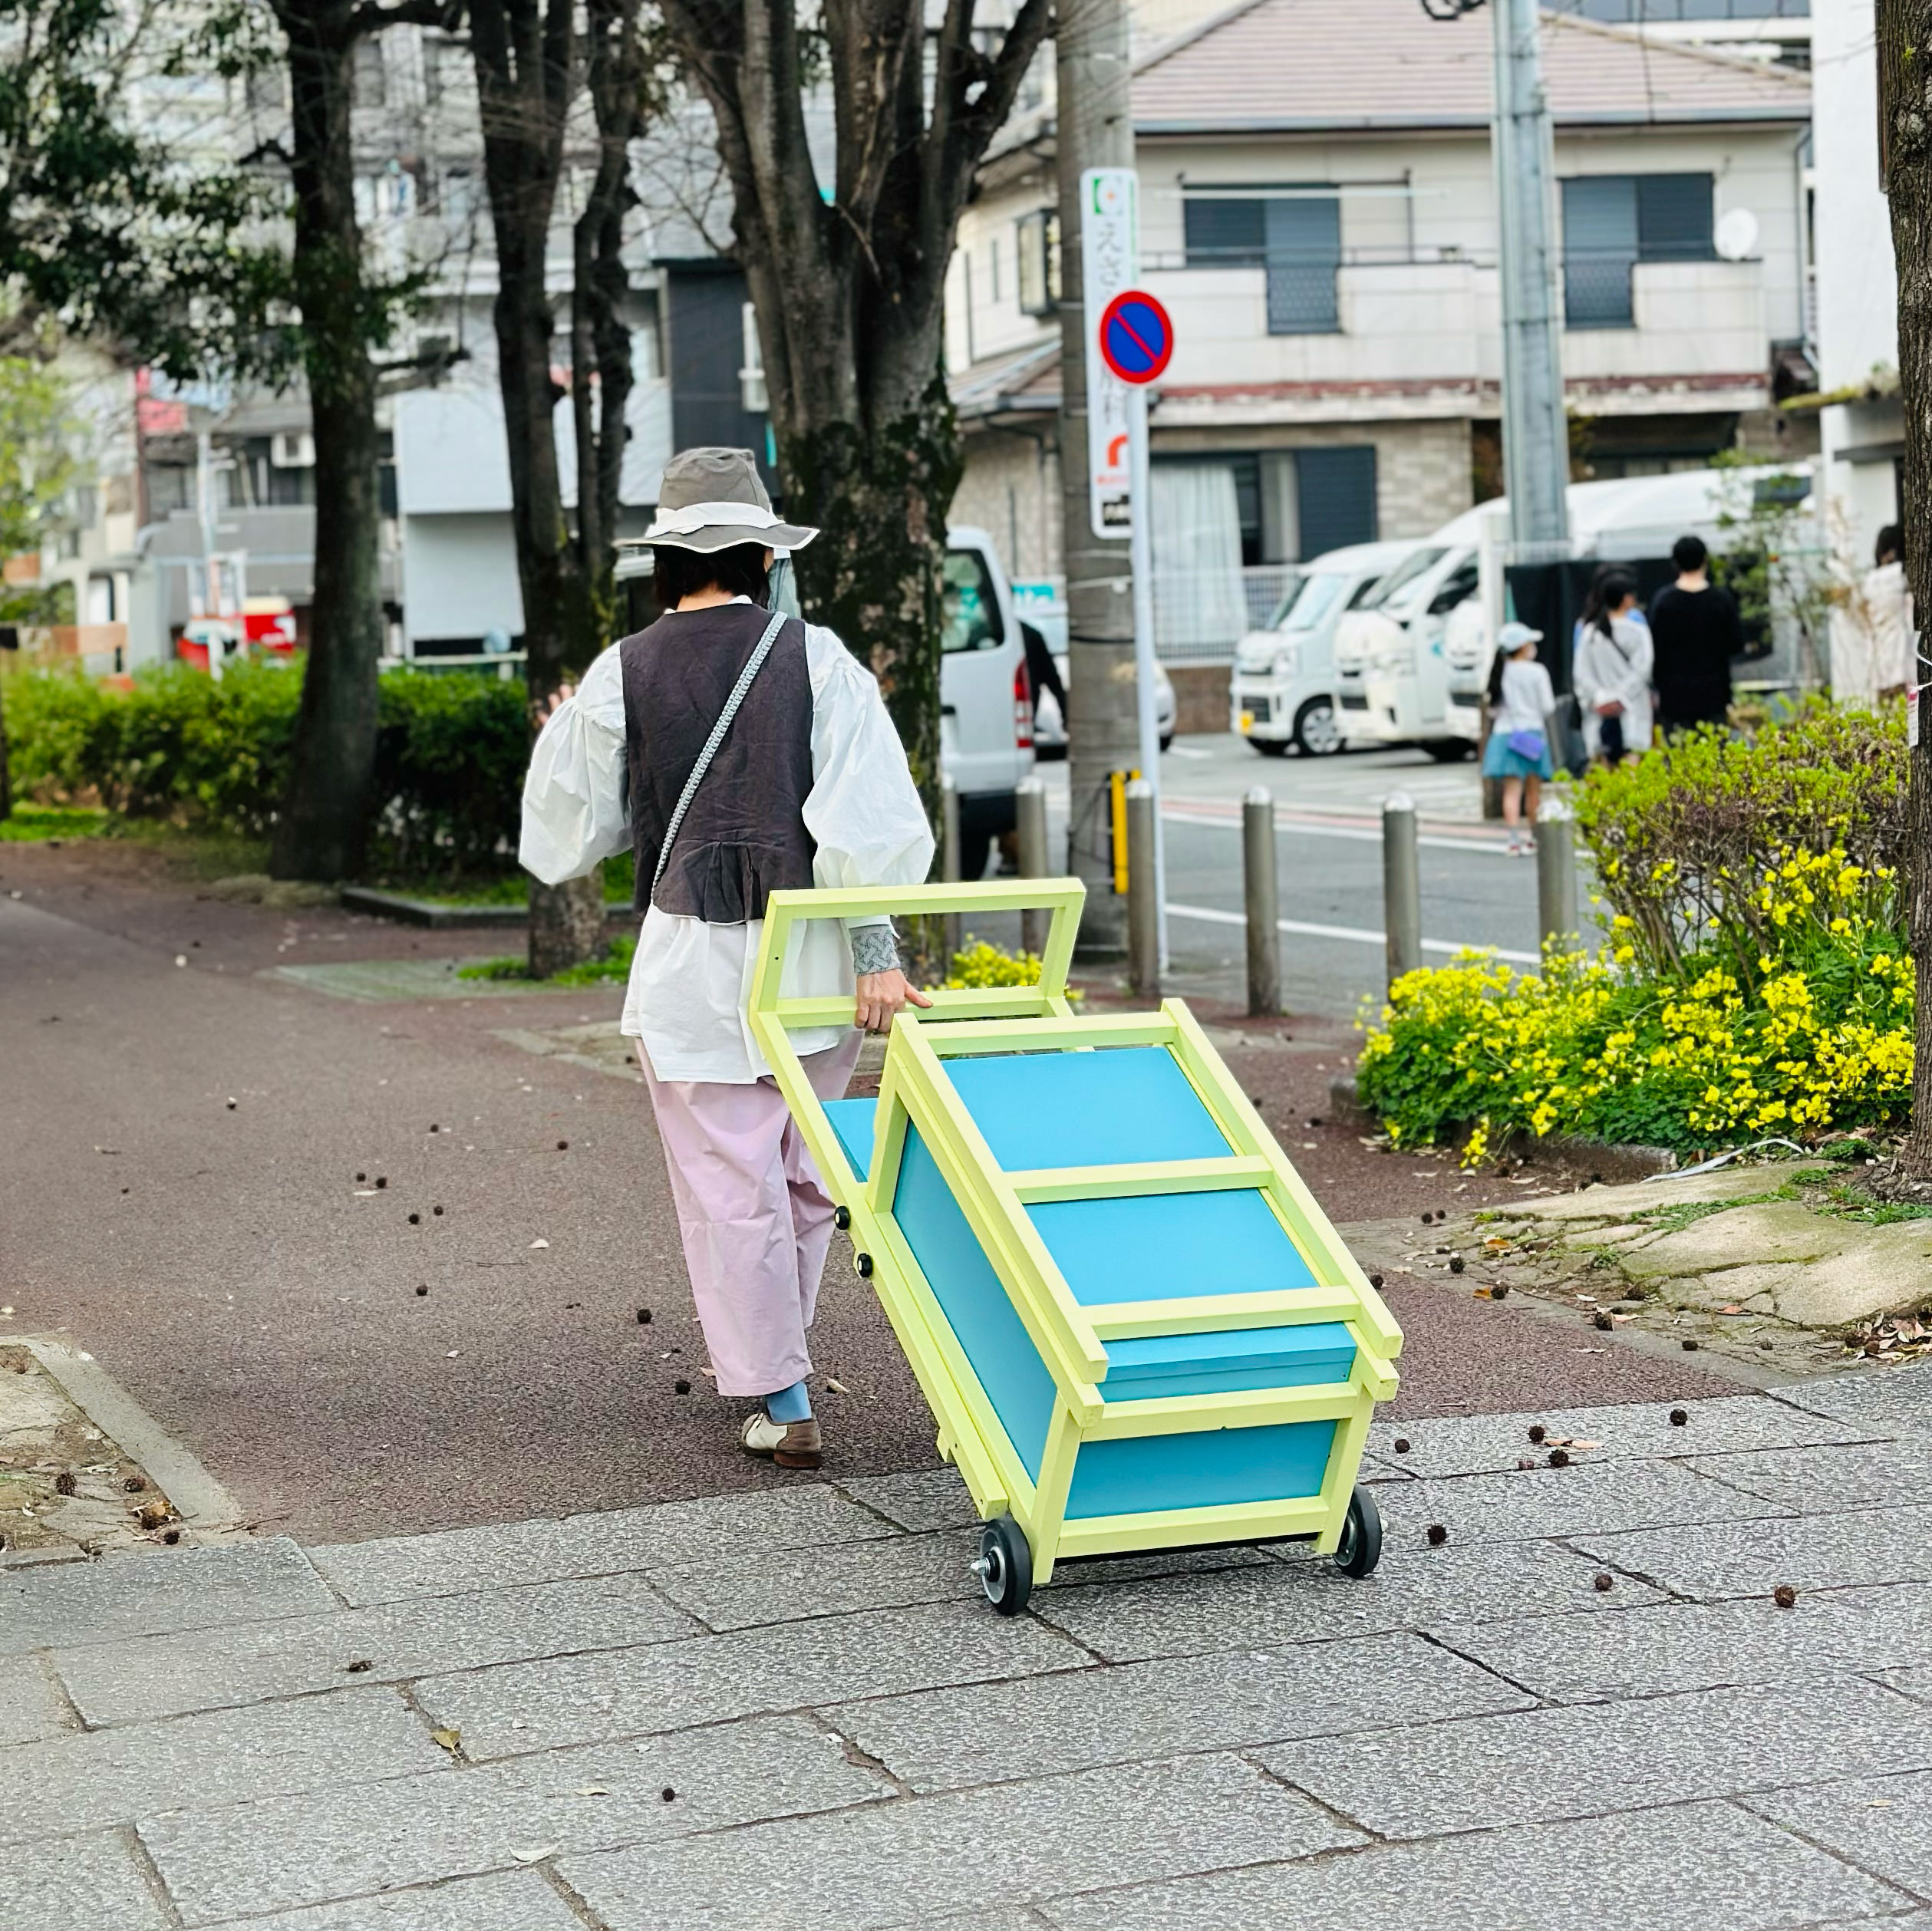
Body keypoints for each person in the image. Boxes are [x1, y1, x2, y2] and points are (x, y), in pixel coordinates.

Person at [519, 447, 935, 1471]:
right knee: (804, 1177)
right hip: (813, 962)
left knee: (730, 1185)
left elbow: (570, 837)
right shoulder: (819, 658)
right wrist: (877, 954)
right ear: (763, 556)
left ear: (664, 561)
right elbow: (866, 817)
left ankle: (781, 1393)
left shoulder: (622, 670)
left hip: (691, 965)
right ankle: (776, 1359)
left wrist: (566, 737)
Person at [1648, 535, 1743, 735]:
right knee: (1715, 749)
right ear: (1705, 560)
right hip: (1714, 693)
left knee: (1679, 751)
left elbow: (1654, 648)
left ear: (1675, 563)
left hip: (1674, 696)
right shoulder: (1721, 600)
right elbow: (1736, 644)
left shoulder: (1664, 602)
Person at [1481, 621, 1555, 856]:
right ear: (1523, 646)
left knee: (1511, 790)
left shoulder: (1500, 671)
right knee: (1534, 791)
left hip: (1506, 736)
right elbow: (1548, 706)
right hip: (1532, 734)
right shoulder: (1537, 671)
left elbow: (1493, 709)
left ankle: (1513, 840)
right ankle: (1534, 837)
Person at [1571, 569, 1653, 766]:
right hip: (1633, 712)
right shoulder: (1638, 631)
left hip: (1598, 714)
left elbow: (1581, 673)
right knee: (1632, 771)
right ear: (1626, 599)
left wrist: (1601, 697)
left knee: (1602, 772)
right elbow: (1643, 670)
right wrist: (1620, 697)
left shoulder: (1589, 632)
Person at [1837, 524, 1912, 711]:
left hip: (1878, 652)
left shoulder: (1870, 581)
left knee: (1886, 710)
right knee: (1906, 707)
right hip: (1901, 649)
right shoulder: (1901, 576)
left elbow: (1862, 616)